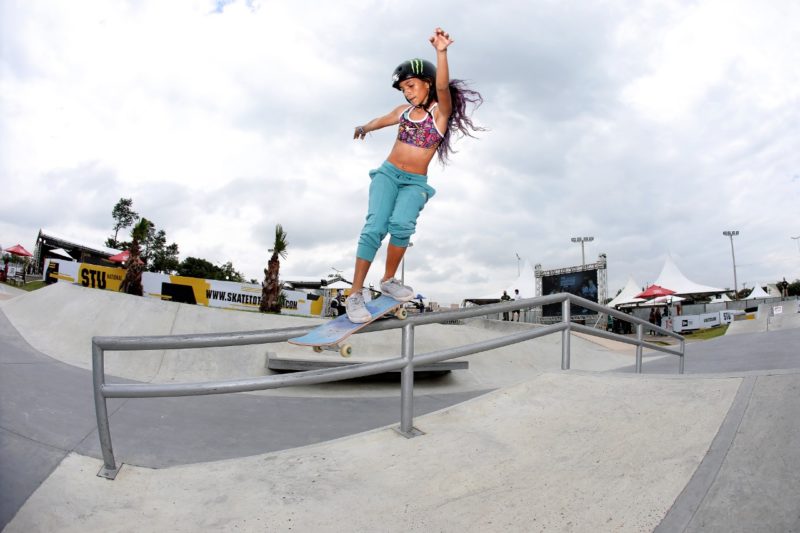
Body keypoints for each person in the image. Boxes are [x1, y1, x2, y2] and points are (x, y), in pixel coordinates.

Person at [345, 27, 484, 323]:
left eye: (411, 86)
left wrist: (441, 53)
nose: (408, 93)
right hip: (388, 174)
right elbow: (380, 120)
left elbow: (444, 88)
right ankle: (355, 293)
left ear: (427, 84)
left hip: (414, 183)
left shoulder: (440, 114)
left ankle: (388, 280)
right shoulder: (403, 111)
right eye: (404, 89)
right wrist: (364, 128)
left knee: (402, 225)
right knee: (375, 227)